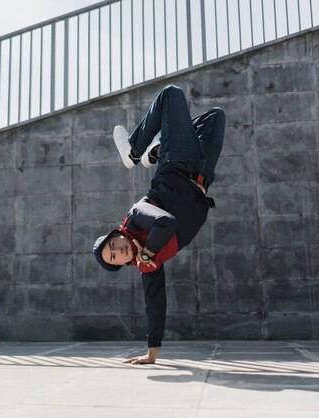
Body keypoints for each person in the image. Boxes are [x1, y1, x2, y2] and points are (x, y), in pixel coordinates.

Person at [92, 85, 225, 365]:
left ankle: (136, 151)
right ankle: (157, 146)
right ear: (120, 263)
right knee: (216, 116)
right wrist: (151, 353)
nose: (118, 250)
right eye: (114, 256)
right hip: (202, 173)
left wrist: (149, 251)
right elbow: (155, 304)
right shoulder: (147, 267)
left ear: (117, 235)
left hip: (177, 163)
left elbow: (165, 221)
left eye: (112, 245)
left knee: (171, 94)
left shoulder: (136, 215)